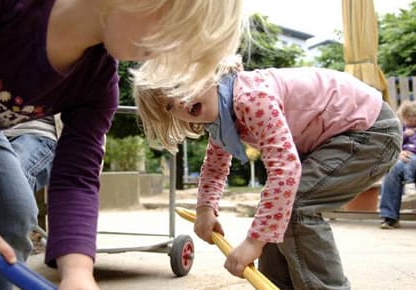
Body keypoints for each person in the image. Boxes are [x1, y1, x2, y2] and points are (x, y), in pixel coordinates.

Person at [0, 0, 246, 289]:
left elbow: (77, 176)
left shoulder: (97, 83)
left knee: (15, 214)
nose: (169, 53)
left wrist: (78, 271)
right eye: (174, 31)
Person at [135, 55, 402, 289]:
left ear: (208, 70)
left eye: (181, 87)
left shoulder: (249, 97)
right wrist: (205, 209)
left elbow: (285, 168)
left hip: (370, 132)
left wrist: (254, 241)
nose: (180, 103)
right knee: (279, 208)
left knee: (295, 205)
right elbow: (215, 167)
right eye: (169, 106)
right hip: (342, 135)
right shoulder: (222, 118)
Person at [379, 100, 416, 229]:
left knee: (411, 162)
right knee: (394, 168)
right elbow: (394, 144)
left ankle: (409, 182)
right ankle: (390, 217)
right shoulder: (402, 129)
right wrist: (399, 152)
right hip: (406, 157)